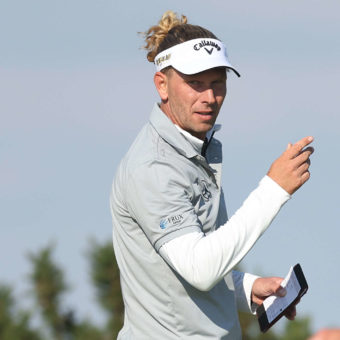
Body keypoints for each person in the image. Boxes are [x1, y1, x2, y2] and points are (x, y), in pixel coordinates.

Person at [110, 11, 314, 339]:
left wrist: (246, 287)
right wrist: (274, 189)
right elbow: (200, 269)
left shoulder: (196, 149)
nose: (209, 97)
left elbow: (181, 271)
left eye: (218, 81)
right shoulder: (153, 168)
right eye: (195, 83)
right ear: (162, 85)